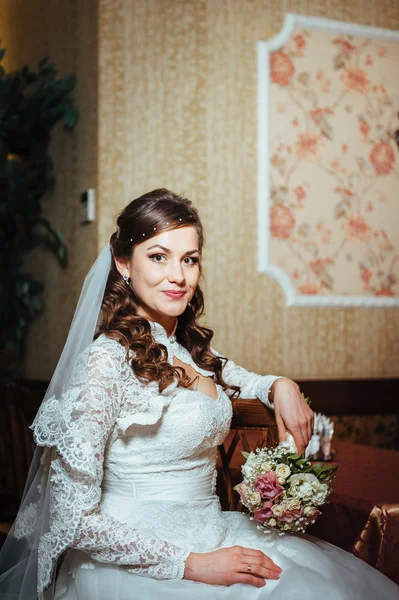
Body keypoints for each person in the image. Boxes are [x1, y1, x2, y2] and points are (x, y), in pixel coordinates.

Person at [0, 188, 397, 600]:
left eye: (189, 260)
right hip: (140, 556)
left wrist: (282, 385)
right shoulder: (104, 362)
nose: (178, 276)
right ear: (123, 264)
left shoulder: (187, 349)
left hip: (213, 530)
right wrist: (192, 564)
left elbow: (247, 380)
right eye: (158, 256)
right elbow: (71, 519)